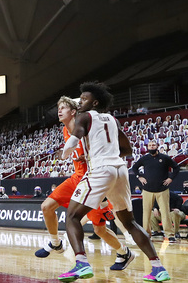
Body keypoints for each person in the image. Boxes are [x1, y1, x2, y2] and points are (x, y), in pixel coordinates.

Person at [60, 82, 169, 282]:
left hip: (101, 170)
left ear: (95, 102)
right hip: (120, 169)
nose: (80, 102)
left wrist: (64, 153)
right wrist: (104, 152)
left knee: (72, 217)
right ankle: (158, 267)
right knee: (130, 222)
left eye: (84, 99)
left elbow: (74, 140)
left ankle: (81, 264)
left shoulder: (84, 116)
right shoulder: (112, 119)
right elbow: (127, 150)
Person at [36, 96, 132, 272]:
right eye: (59, 107)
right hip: (76, 178)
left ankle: (124, 252)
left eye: (64, 107)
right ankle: (56, 243)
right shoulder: (66, 130)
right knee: (46, 206)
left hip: (94, 180)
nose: (59, 111)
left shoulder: (87, 127)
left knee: (100, 229)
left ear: (73, 111)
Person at [132, 139, 180, 243]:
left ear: (157, 146)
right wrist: (139, 177)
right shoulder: (144, 159)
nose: (152, 146)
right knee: (146, 213)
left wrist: (170, 178)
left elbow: (176, 167)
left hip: (162, 189)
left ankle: (170, 235)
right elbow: (134, 168)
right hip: (147, 190)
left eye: (153, 145)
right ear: (147, 147)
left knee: (165, 212)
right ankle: (146, 234)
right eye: (150, 145)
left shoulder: (165, 158)